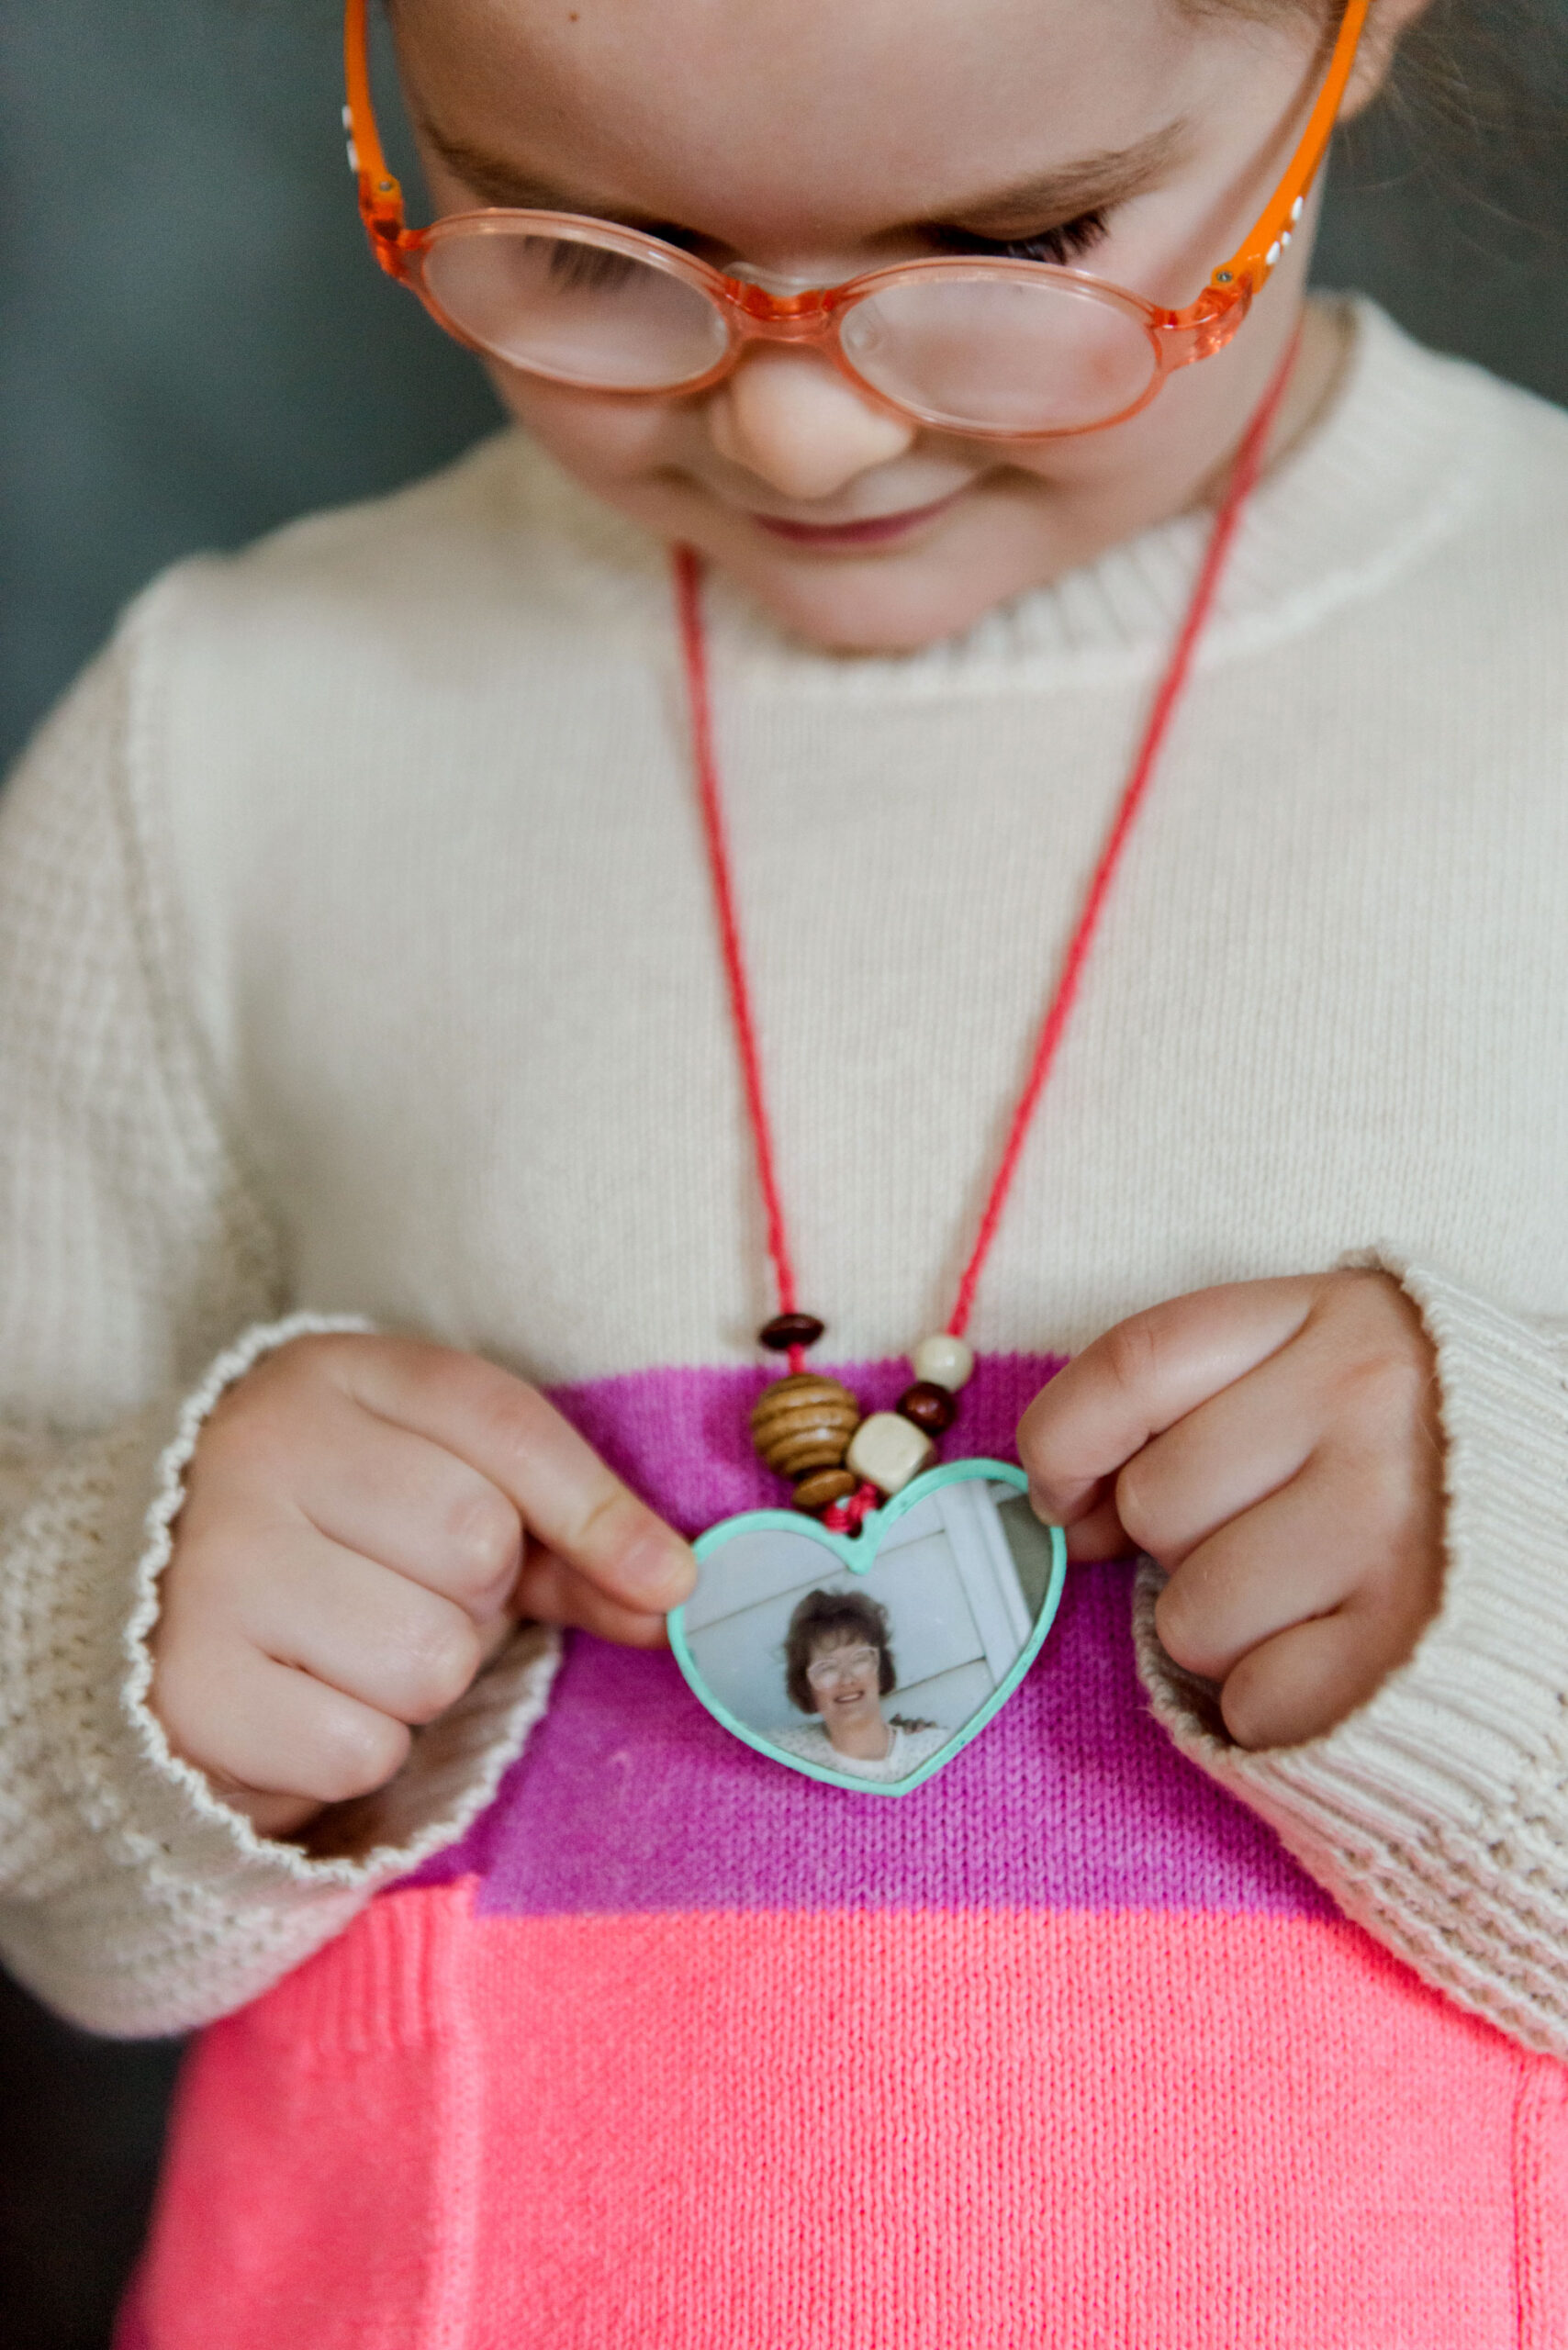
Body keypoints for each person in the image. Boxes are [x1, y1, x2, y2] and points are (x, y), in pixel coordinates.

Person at [1, 0, 1566, 2337]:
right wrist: (120, 1648)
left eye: (1024, 243)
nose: (806, 424)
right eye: (593, 250)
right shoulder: (234, 742)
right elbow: (66, 1888)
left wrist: (1506, 1600)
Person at [774, 1588, 947, 1778]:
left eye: (859, 1659)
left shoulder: (936, 1753)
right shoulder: (781, 1757)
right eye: (826, 1668)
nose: (847, 1679)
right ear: (805, 1686)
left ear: (881, 1668)